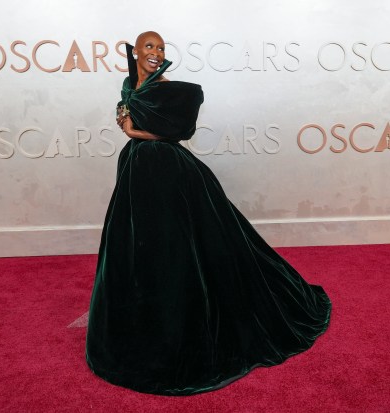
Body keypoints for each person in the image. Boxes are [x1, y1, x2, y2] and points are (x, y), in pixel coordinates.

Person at [85, 31, 331, 396]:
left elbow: (177, 133)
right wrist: (128, 122)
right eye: (149, 47)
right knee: (139, 243)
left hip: (166, 170)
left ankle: (179, 312)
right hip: (137, 169)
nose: (156, 53)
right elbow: (126, 117)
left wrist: (135, 129)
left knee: (176, 242)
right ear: (135, 51)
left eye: (161, 48)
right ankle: (141, 313)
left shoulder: (167, 87)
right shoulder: (129, 83)